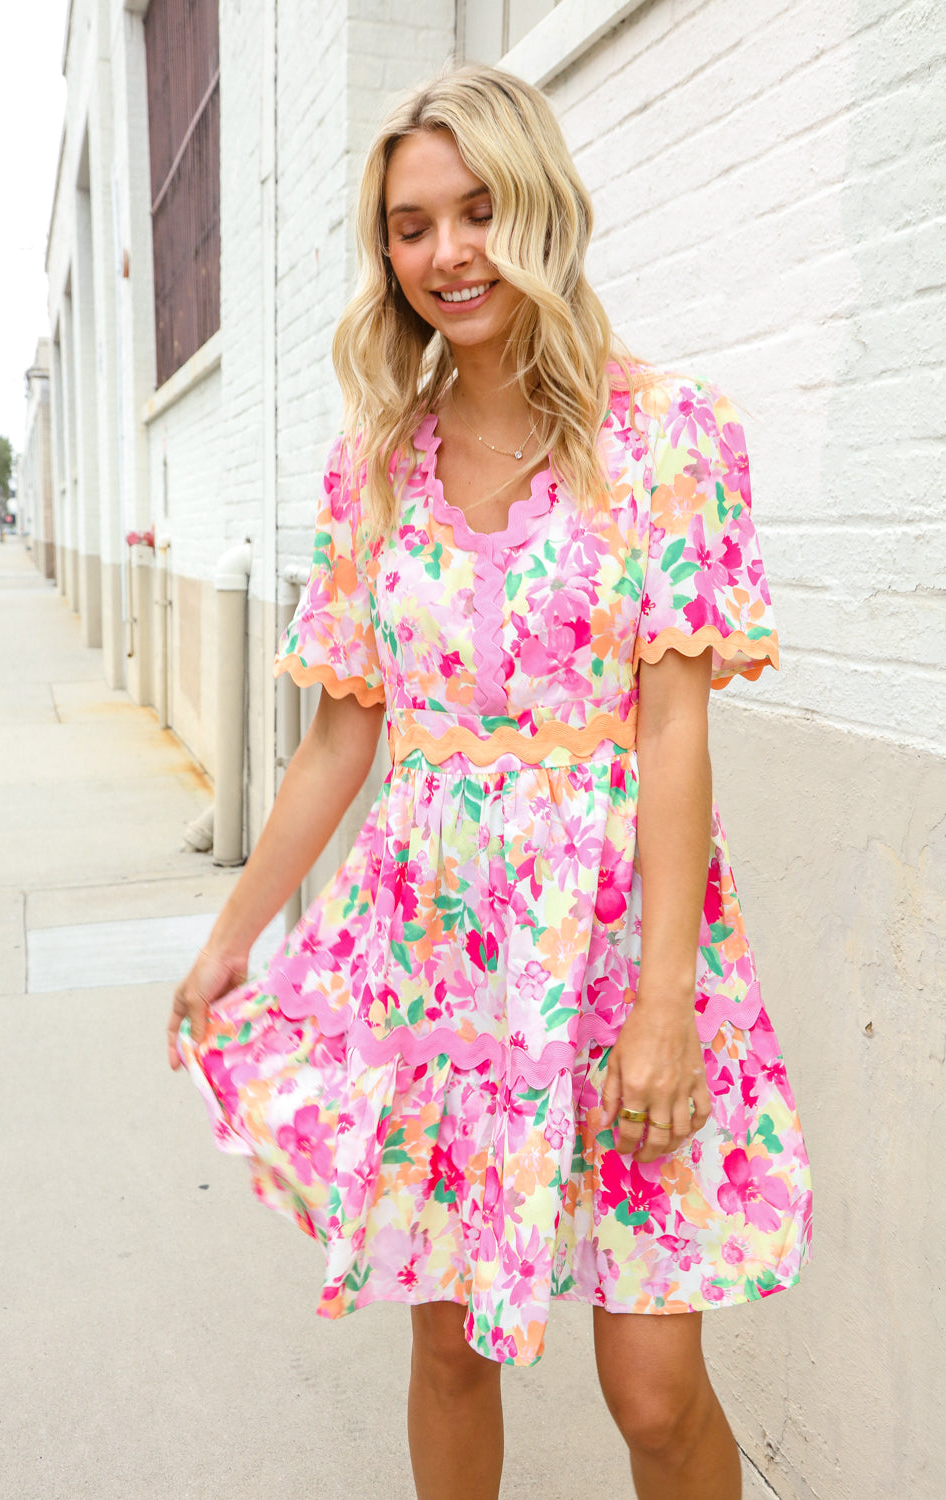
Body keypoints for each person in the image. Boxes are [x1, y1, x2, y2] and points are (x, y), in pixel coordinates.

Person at [168, 65, 812, 1500]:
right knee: (450, 1348)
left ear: (541, 209)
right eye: (412, 227)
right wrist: (231, 938)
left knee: (654, 1393)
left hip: (621, 955)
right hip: (435, 959)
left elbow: (674, 734)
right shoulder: (373, 466)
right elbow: (340, 739)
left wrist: (662, 1007)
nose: (448, 253)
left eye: (479, 212)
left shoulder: (668, 435)